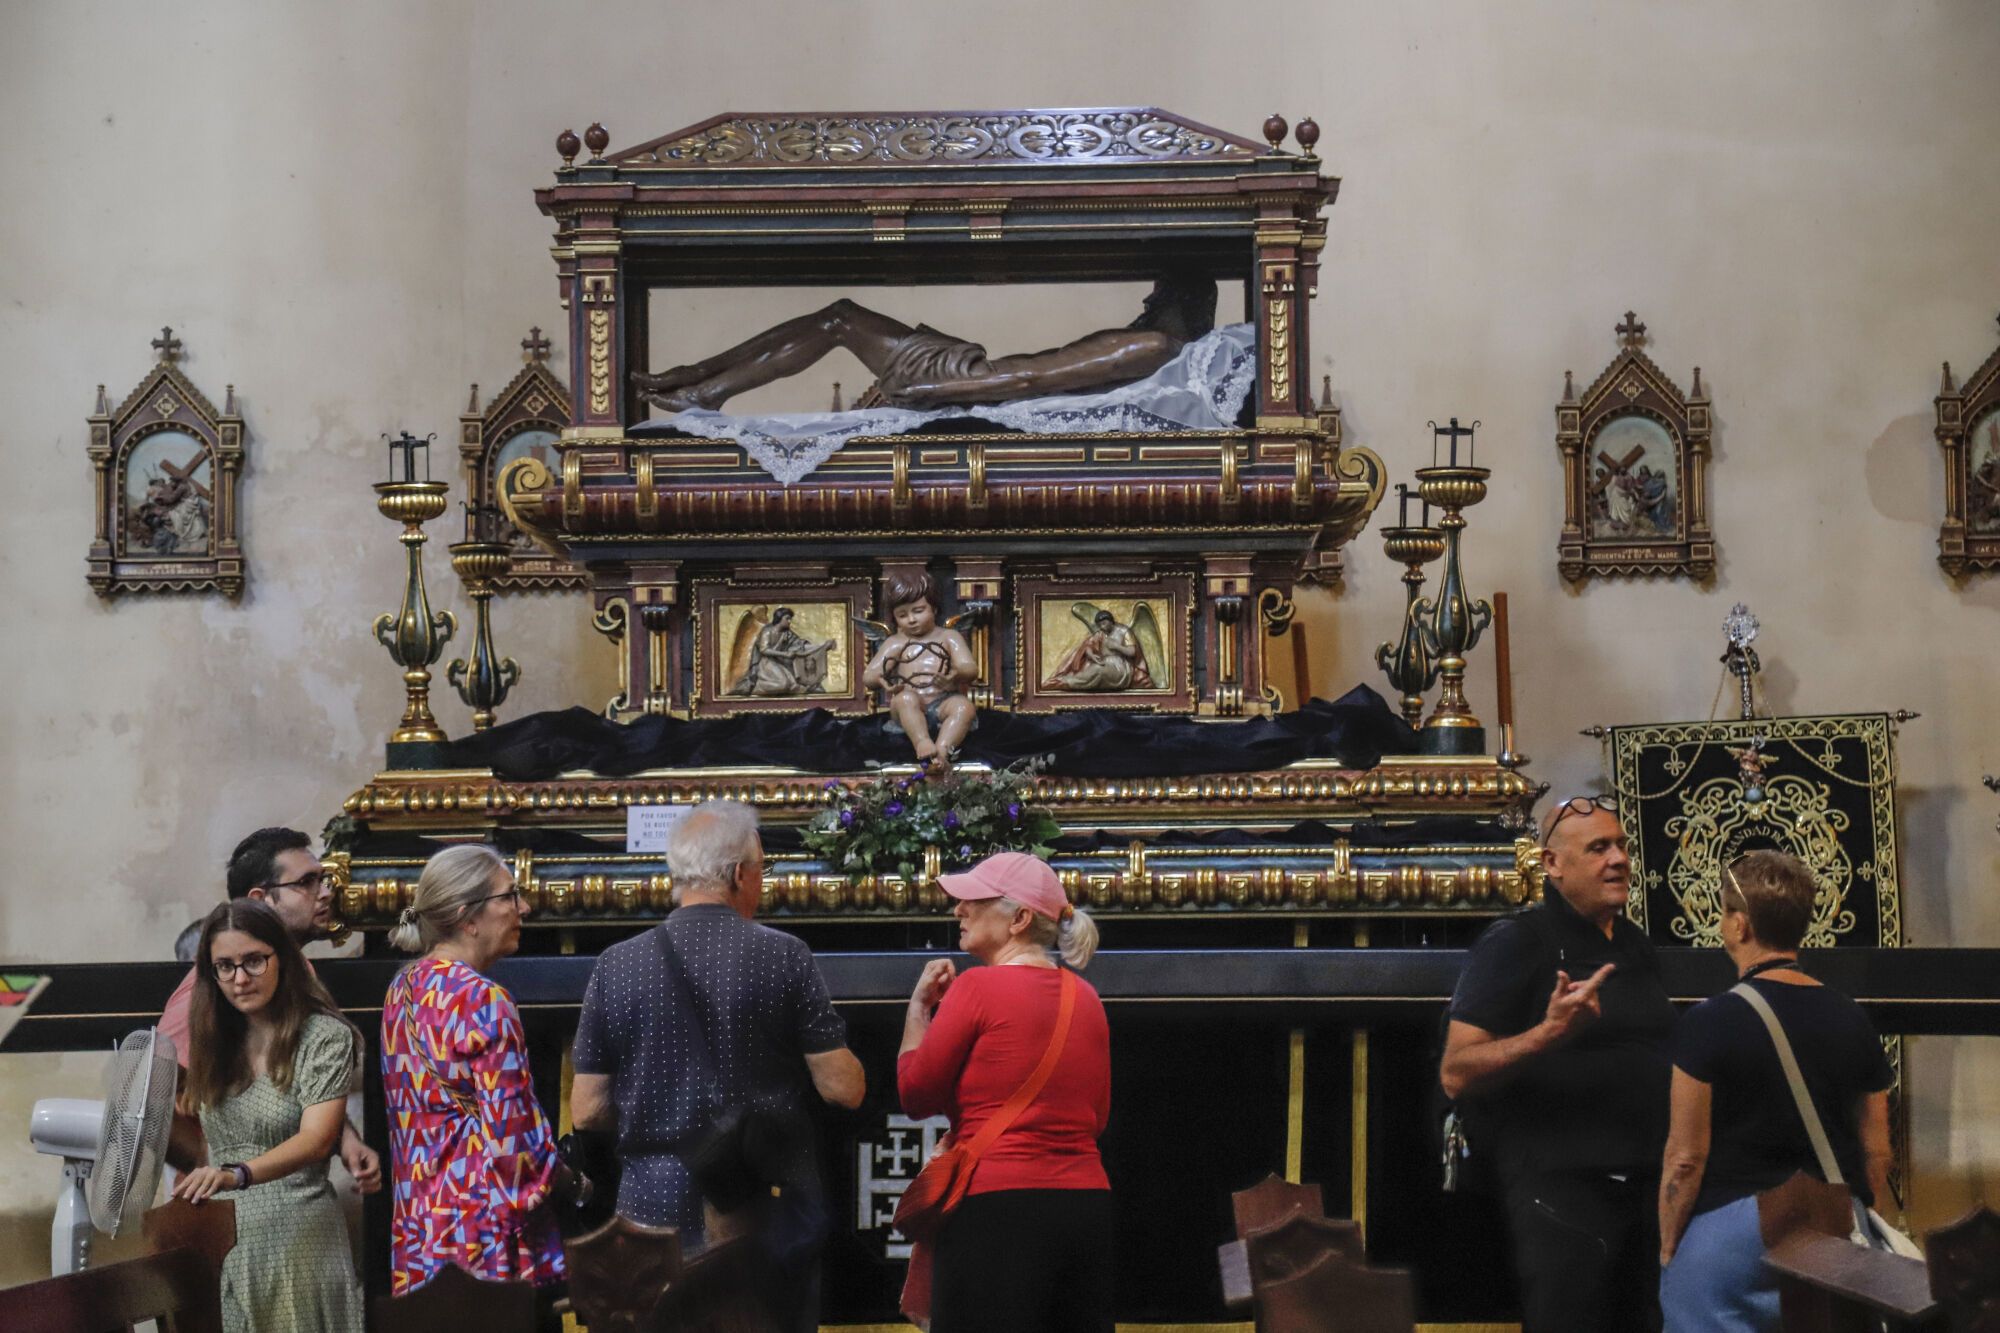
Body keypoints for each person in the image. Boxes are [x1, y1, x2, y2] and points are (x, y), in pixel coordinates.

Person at [570, 800, 864, 1333]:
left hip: (649, 1210)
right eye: (761, 871)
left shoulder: (616, 963)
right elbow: (844, 1089)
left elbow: (587, 1110)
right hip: (758, 1209)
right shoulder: (785, 955)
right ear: (737, 875)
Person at [1439, 796, 1676, 1333]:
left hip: (1645, 1188)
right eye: (1598, 848)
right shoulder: (1518, 941)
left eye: (1621, 846)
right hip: (1563, 1193)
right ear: (1552, 864)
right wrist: (1546, 1035)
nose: (1618, 859)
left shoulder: (1636, 945)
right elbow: (1456, 1070)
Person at [1657, 851, 1894, 1332]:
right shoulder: (1852, 1017)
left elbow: (1685, 1157)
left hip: (1734, 1233)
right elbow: (1878, 1150)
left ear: (1740, 926)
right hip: (1832, 1227)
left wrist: (1668, 1246)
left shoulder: (1708, 1021)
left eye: (1725, 913)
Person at [898, 851, 1112, 1333]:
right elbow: (1096, 1118)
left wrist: (917, 1010)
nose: (959, 909)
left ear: (1018, 919)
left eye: (974, 899)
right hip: (1085, 1209)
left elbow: (914, 1094)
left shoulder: (976, 988)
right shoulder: (1089, 998)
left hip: (996, 1210)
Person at [381, 844, 582, 1306]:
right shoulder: (485, 999)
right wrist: (576, 1186)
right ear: (466, 917)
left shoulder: (404, 989)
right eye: (510, 896)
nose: (524, 908)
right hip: (483, 1236)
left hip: (420, 1228)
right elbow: (515, 1148)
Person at [170, 899, 366, 1333]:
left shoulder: (323, 1036)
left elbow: (316, 1139)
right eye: (225, 966)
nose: (240, 979)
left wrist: (235, 1174)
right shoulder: (214, 1038)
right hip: (227, 1240)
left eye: (254, 961)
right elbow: (211, 1144)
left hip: (299, 1234)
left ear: (284, 958)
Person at [632, 273, 1217, 412]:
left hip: (967, 377)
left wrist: (938, 388)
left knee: (839, 319)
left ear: (1188, 304)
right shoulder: (1152, 344)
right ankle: (700, 380)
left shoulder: (1155, 347)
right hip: (967, 372)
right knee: (837, 318)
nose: (1145, 305)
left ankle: (704, 387)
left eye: (1159, 295)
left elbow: (1033, 380)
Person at [161, 827, 380, 1192]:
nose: (325, 892)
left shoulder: (297, 972)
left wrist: (346, 1139)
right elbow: (154, 1103)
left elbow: (299, 1077)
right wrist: (217, 1167)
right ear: (262, 900)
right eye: (307, 882)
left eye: (323, 879)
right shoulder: (215, 990)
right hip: (226, 1206)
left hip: (292, 1197)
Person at [862, 569, 977, 771]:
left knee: (964, 707)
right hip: (909, 704)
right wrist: (883, 683)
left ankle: (941, 751)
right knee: (905, 699)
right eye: (902, 615)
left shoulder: (948, 637)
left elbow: (970, 668)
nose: (911, 620)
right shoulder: (895, 642)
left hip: (943, 700)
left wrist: (955, 675)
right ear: (894, 618)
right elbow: (870, 675)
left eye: (918, 610)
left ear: (934, 608)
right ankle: (921, 741)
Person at [731, 606, 836, 697]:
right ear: (779, 619)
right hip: (766, 663)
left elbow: (801, 646)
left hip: (780, 663)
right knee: (783, 684)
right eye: (787, 618)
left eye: (790, 619)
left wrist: (823, 646)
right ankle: (757, 688)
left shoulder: (787, 634)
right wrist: (784, 654)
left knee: (794, 686)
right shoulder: (768, 631)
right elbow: (764, 649)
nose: (789, 621)